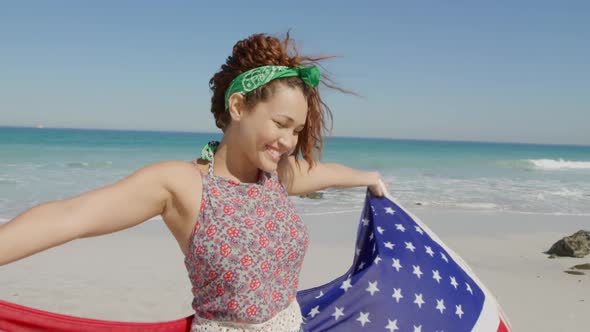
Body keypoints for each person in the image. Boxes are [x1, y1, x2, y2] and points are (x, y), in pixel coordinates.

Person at [0, 32, 385, 332]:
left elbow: (321, 172)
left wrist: (368, 178)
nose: (289, 141)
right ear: (237, 107)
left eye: (297, 130)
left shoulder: (276, 176)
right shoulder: (184, 185)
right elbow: (71, 217)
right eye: (281, 124)